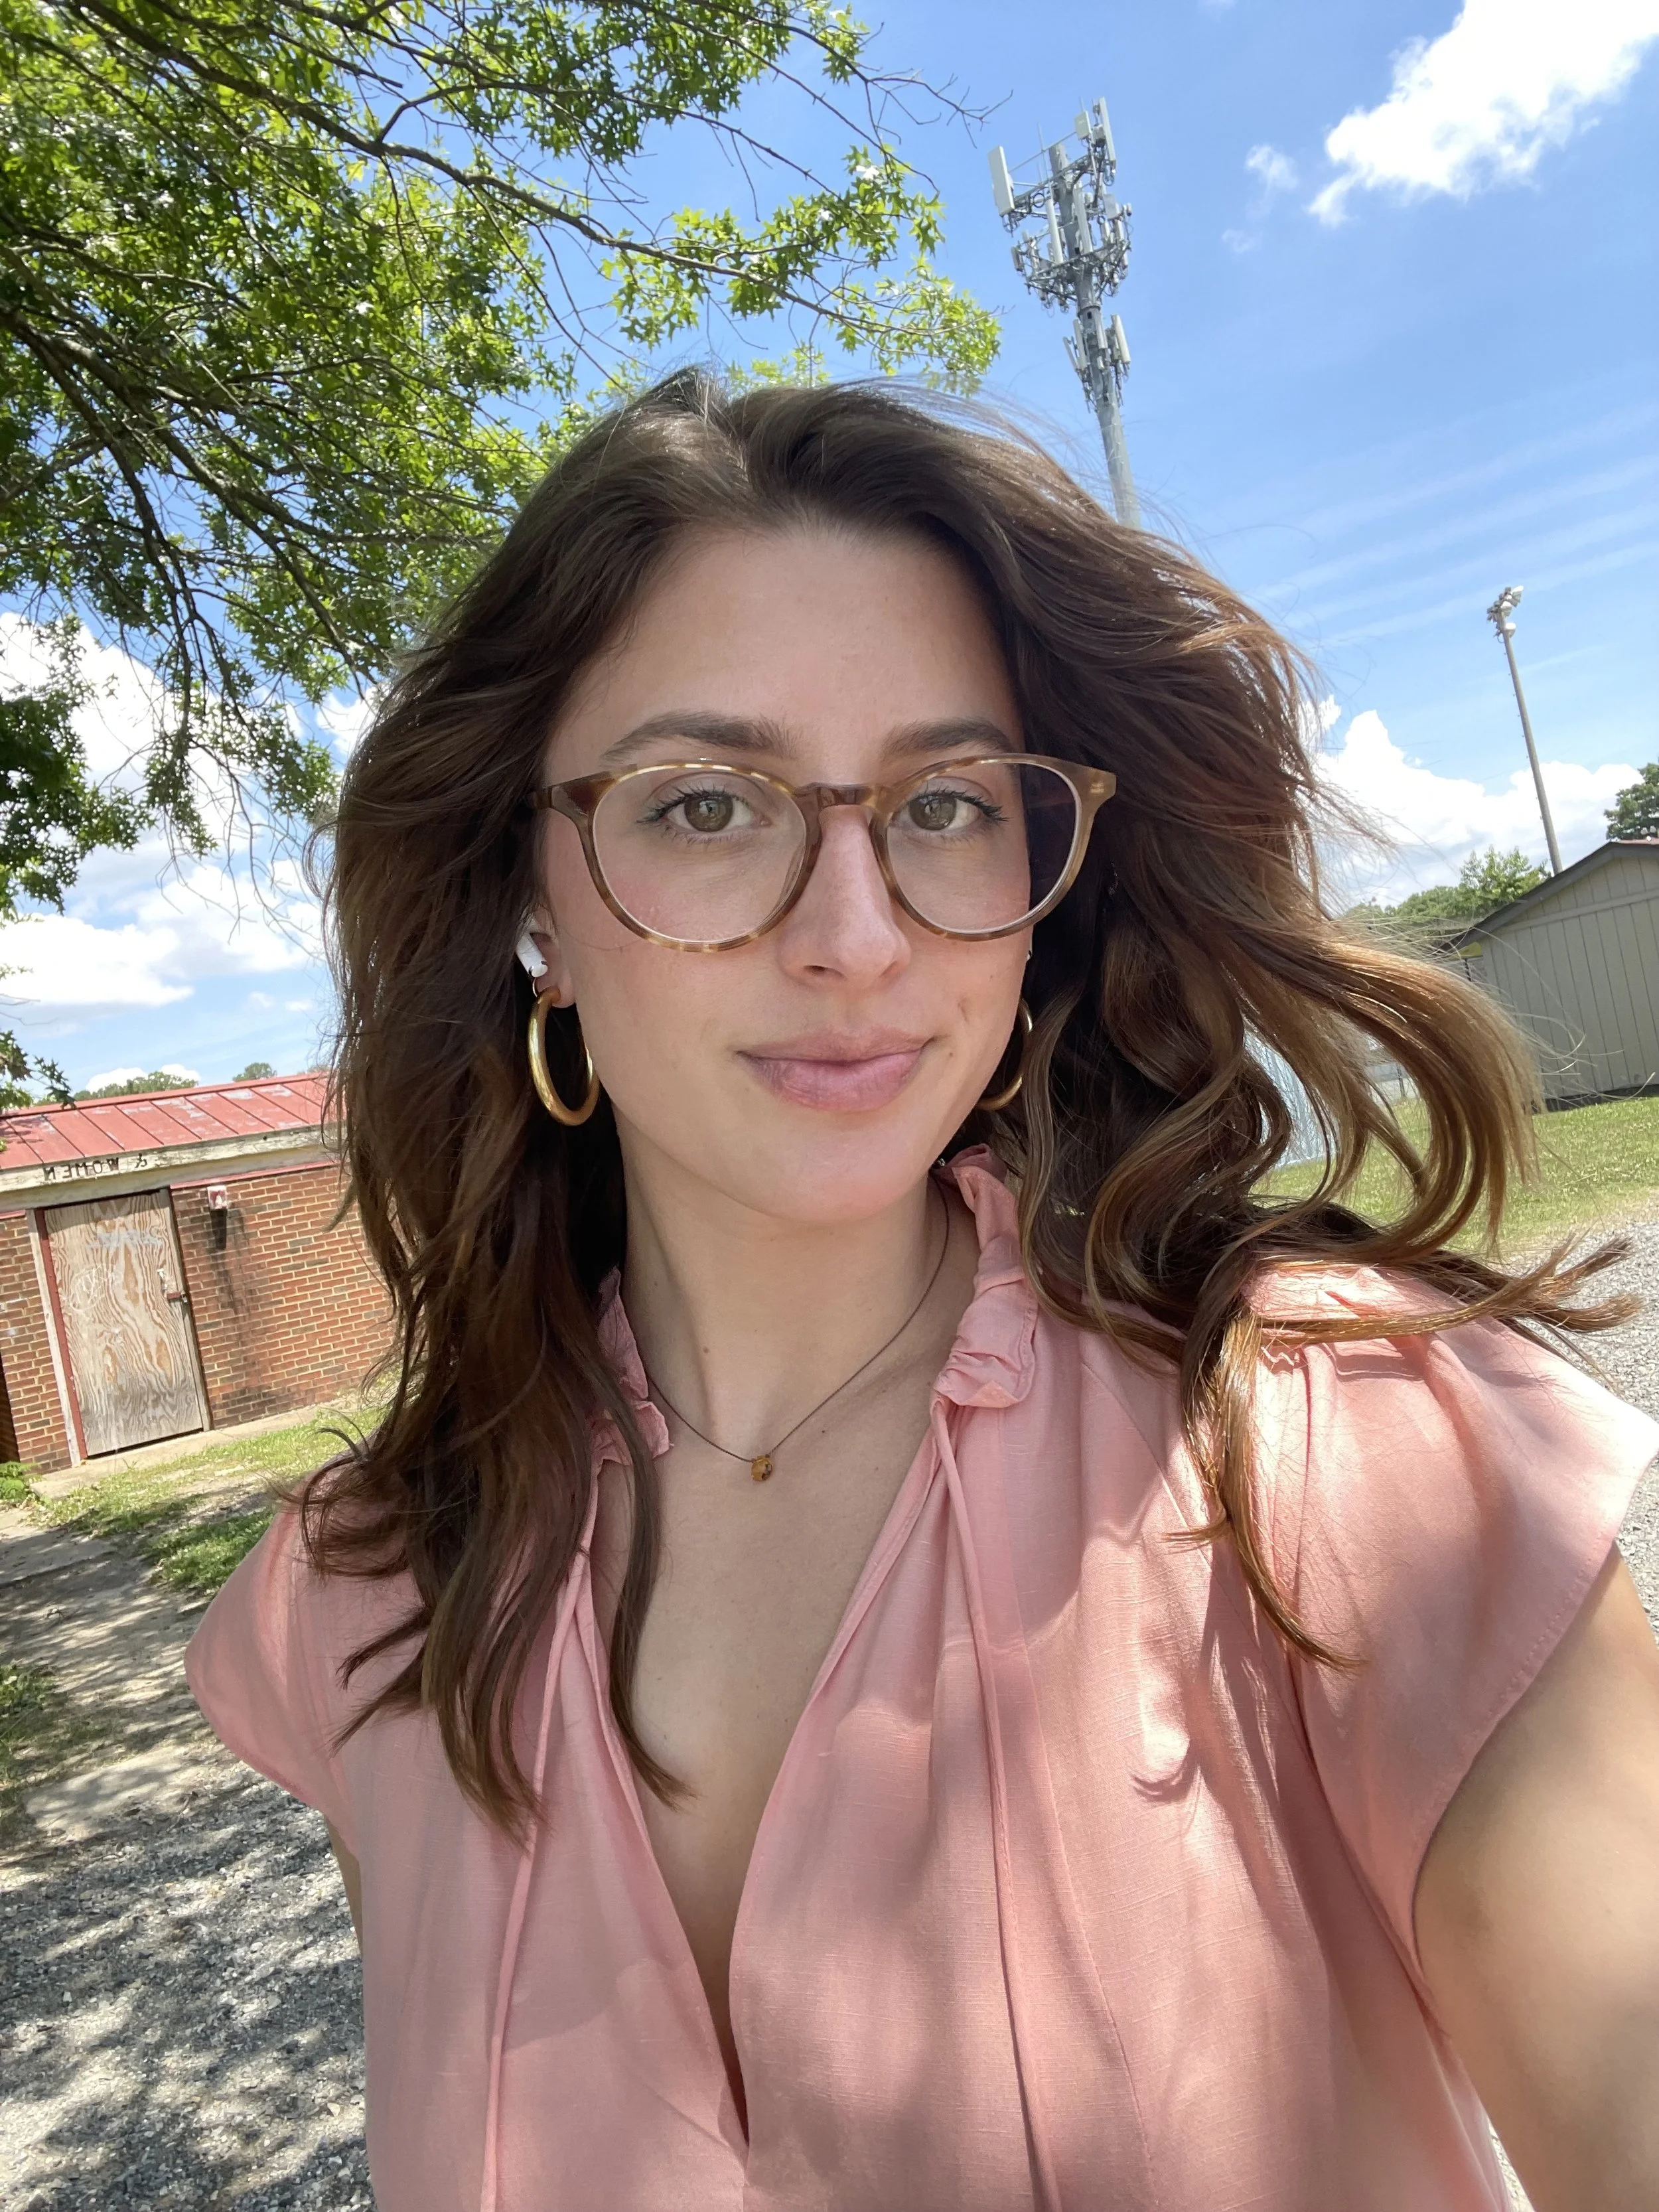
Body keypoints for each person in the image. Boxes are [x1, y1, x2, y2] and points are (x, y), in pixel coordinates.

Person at [186, 375, 1659, 2212]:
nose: (856, 930)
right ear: (529, 904)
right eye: (708, 802)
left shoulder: (1351, 1459)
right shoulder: (373, 1592)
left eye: (945, 802)